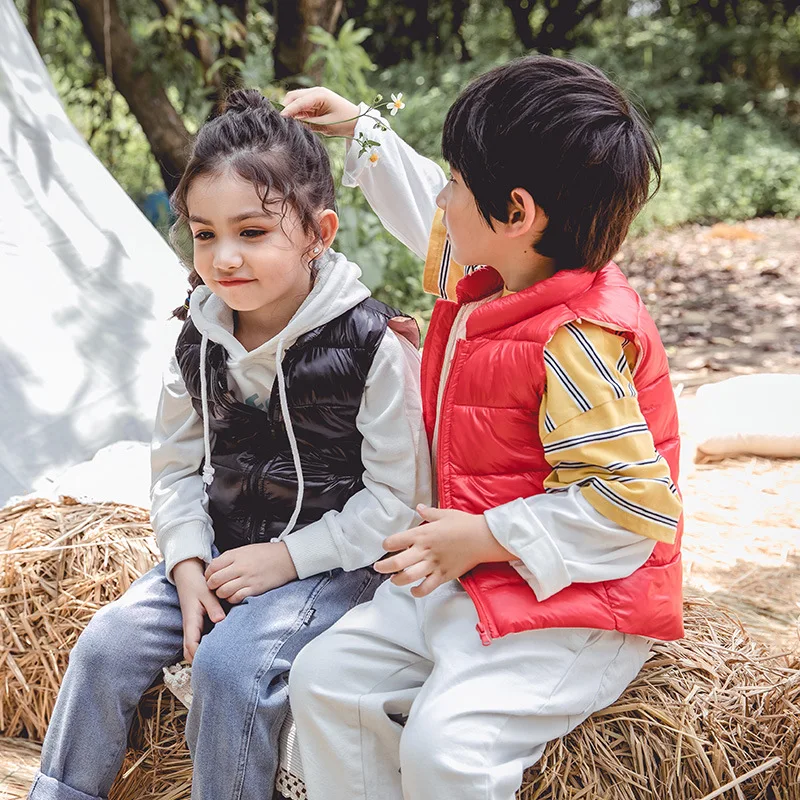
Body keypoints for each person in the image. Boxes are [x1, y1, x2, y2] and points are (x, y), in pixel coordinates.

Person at [282, 55, 684, 800]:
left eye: (456, 183)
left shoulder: (579, 344)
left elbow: (631, 511)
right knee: (326, 680)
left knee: (447, 750)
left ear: (517, 213)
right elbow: (423, 213)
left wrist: (482, 537)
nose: (441, 197)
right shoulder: (501, 275)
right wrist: (361, 131)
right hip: (475, 576)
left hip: (576, 603)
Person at [28, 89, 430, 800]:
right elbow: (175, 466)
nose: (224, 257)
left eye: (251, 232)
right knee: (105, 643)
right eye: (204, 233)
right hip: (219, 552)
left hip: (333, 563)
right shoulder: (198, 337)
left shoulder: (373, 347)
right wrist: (184, 559)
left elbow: (398, 503)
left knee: (229, 668)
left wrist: (288, 557)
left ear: (319, 232)